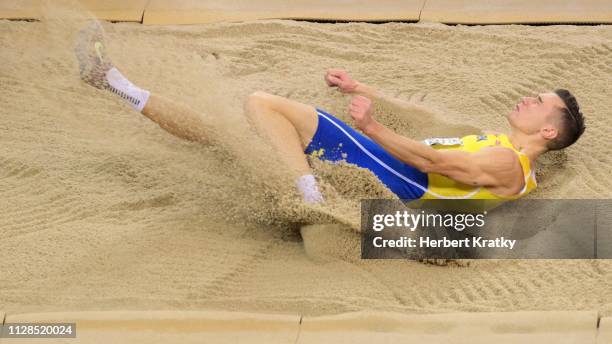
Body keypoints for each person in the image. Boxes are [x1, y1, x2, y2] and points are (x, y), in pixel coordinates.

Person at [75, 22, 585, 207]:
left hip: (394, 180)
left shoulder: (507, 165)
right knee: (229, 134)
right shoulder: (496, 141)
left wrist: (371, 125)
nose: (527, 98)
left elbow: (435, 164)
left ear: (546, 130)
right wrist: (363, 90)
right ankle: (116, 85)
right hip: (393, 167)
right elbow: (427, 124)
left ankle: (309, 195)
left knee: (261, 103)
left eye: (539, 102)